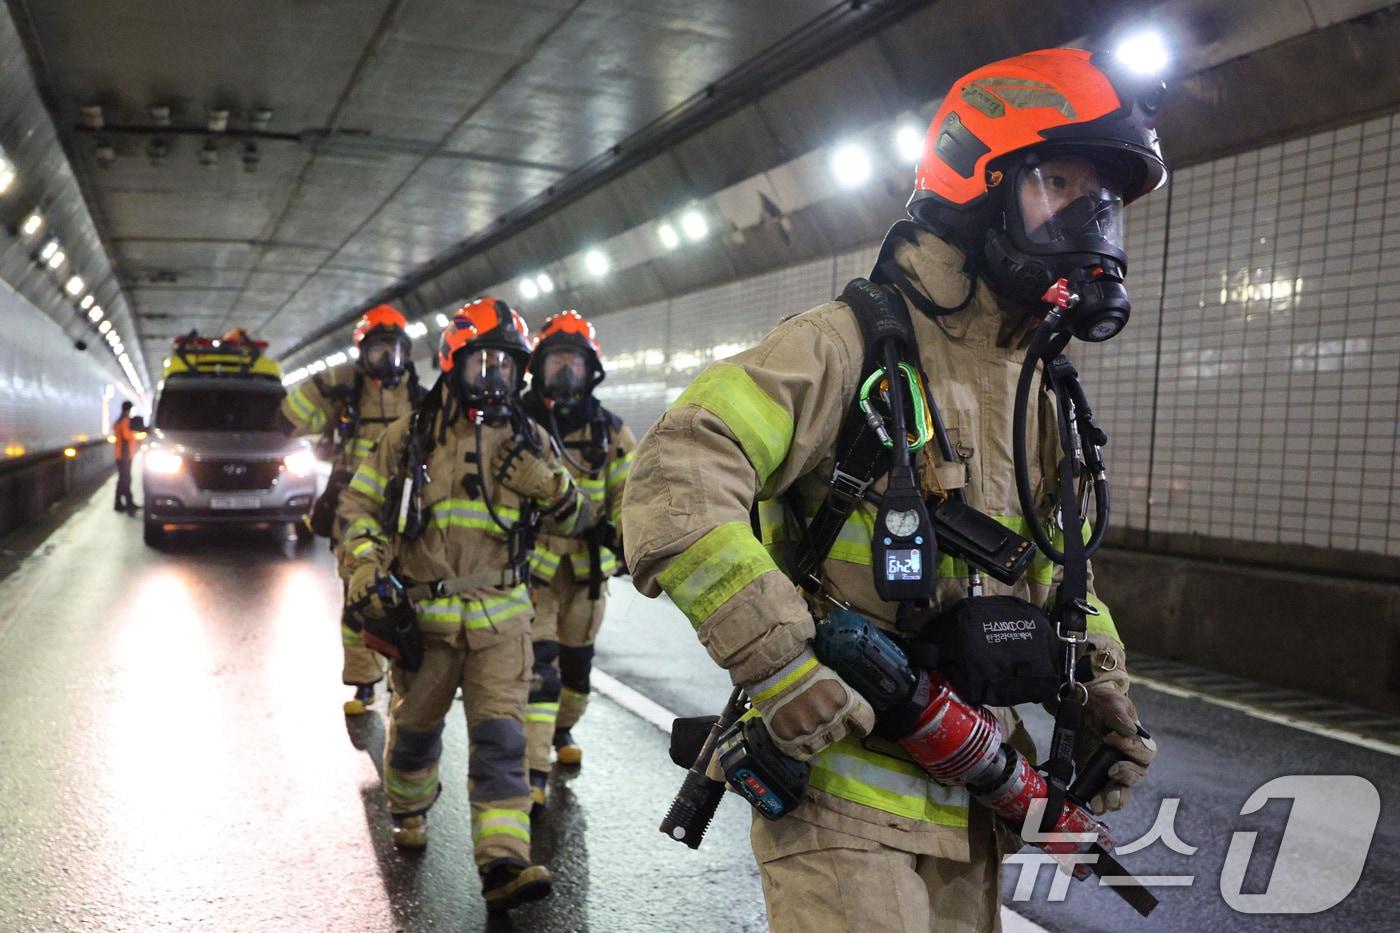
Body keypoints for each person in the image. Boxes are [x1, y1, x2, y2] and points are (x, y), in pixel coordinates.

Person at [621, 48, 1164, 932]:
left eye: (1102, 197)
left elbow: (1062, 578)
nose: (1090, 216)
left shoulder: (1037, 391)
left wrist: (1099, 687)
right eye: (1059, 180)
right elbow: (676, 472)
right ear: (979, 182)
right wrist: (780, 661)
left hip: (968, 804)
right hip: (837, 797)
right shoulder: (845, 347)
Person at [338, 297, 592, 913]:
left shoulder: (531, 439)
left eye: (508, 368)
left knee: (503, 744)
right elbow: (359, 512)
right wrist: (368, 568)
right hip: (425, 625)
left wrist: (549, 484)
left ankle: (504, 864)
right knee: (415, 738)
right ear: (455, 363)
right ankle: (407, 806)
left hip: (503, 624)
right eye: (485, 366)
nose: (498, 380)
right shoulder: (411, 437)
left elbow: (582, 515)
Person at [277, 304, 423, 714]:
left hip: (404, 516)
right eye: (378, 349)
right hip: (356, 512)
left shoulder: (422, 399)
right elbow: (287, 422)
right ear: (362, 352)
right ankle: (364, 683)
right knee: (360, 597)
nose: (387, 358)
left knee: (408, 600)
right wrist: (322, 387)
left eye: (394, 349)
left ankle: (404, 678)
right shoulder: (344, 394)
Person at [519, 310, 636, 812]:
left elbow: (630, 497)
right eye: (556, 361)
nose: (565, 372)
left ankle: (562, 729)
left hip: (587, 576)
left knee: (576, 674)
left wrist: (631, 542)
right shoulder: (518, 426)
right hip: (534, 573)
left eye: (574, 362)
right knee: (538, 671)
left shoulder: (611, 434)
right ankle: (532, 774)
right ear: (538, 366)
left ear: (591, 370)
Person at [113, 401, 139, 513]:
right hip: (125, 455)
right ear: (128, 410)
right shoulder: (124, 421)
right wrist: (136, 435)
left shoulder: (120, 421)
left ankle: (119, 503)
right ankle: (128, 503)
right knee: (126, 480)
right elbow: (127, 435)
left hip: (122, 455)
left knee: (123, 480)